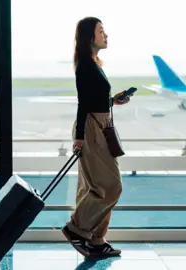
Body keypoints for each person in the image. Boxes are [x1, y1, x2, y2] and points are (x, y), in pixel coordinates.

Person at [62, 17, 131, 258]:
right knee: (111, 186)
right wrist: (80, 137)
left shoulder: (94, 64)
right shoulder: (86, 66)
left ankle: (97, 241)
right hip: (91, 130)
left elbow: (93, 100)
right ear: (89, 37)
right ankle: (76, 229)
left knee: (94, 185)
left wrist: (114, 101)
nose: (106, 35)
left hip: (100, 126)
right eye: (101, 31)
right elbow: (83, 104)